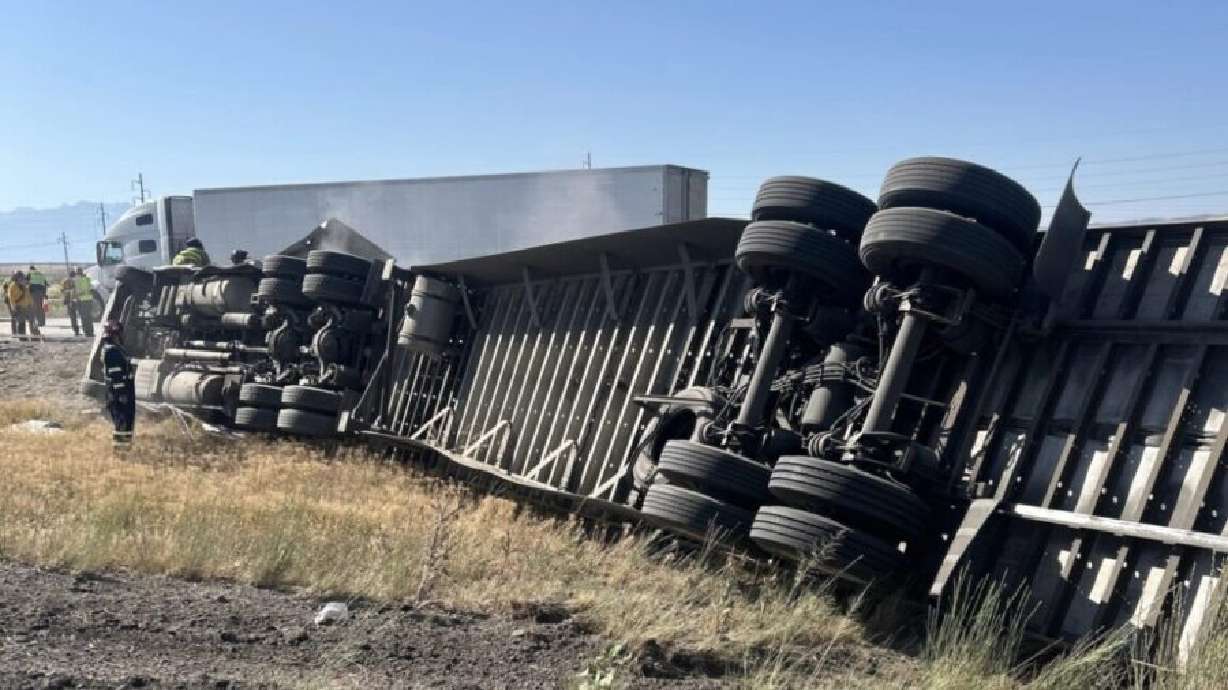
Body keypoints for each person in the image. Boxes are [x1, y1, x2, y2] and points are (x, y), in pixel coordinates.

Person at [100, 320, 135, 446]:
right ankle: (121, 451)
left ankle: (124, 448)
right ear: (115, 334)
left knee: (125, 423)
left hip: (119, 392)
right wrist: (122, 395)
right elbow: (116, 375)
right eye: (119, 333)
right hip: (119, 394)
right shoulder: (112, 351)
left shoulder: (112, 349)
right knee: (122, 423)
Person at [5, 272, 39, 338]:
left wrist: (31, 303)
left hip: (26, 306)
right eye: (21, 278)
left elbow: (28, 296)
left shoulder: (24, 286)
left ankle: (32, 335)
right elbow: (11, 297)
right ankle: (21, 336)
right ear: (17, 279)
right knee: (20, 321)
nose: (22, 279)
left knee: (31, 320)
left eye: (22, 278)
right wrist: (13, 307)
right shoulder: (12, 286)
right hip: (18, 306)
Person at [71, 268, 94, 338]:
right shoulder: (87, 279)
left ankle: (86, 332)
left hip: (82, 300)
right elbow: (91, 288)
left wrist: (75, 298)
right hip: (89, 299)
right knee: (89, 316)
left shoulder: (77, 280)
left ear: (77, 273)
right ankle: (91, 331)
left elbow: (78, 291)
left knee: (84, 317)